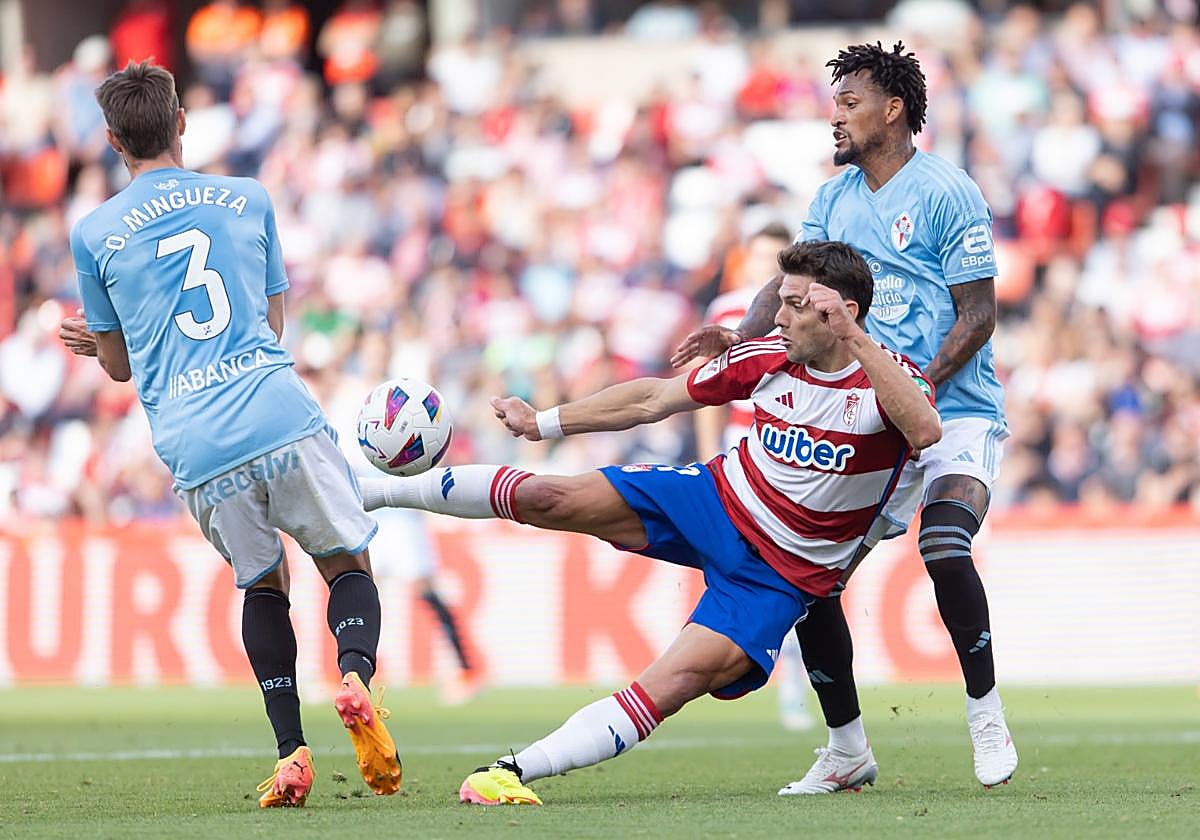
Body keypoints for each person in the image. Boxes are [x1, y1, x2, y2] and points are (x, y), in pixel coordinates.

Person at [358, 240, 941, 805]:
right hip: (715, 498)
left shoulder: (891, 381)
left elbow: (923, 431)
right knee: (553, 498)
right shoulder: (767, 358)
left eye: (794, 305)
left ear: (843, 314)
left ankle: (512, 770)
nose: (778, 317)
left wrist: (854, 340)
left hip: (781, 575)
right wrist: (545, 423)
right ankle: (370, 492)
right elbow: (654, 400)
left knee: (675, 682)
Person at [670, 42, 1018, 791]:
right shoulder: (833, 200)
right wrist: (743, 335)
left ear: (892, 111)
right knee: (809, 579)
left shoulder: (948, 192)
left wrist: (918, 381)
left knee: (946, 544)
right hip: (866, 421)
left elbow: (980, 314)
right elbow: (786, 288)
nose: (836, 116)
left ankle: (986, 716)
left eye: (849, 104)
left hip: (952, 412)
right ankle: (848, 749)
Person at [57, 61, 400, 808]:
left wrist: (97, 345)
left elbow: (118, 366)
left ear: (114, 140)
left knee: (262, 584)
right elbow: (272, 323)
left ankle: (291, 753)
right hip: (275, 408)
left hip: (197, 442)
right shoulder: (247, 198)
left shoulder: (94, 232)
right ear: (181, 122)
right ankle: (354, 678)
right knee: (346, 563)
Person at [694, 221, 815, 732]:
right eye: (762, 255)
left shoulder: (804, 310)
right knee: (737, 569)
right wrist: (706, 454)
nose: (769, 266)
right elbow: (703, 387)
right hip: (737, 449)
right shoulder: (725, 312)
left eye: (777, 258)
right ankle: (721, 668)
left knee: (788, 572)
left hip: (788, 451)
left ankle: (791, 686)